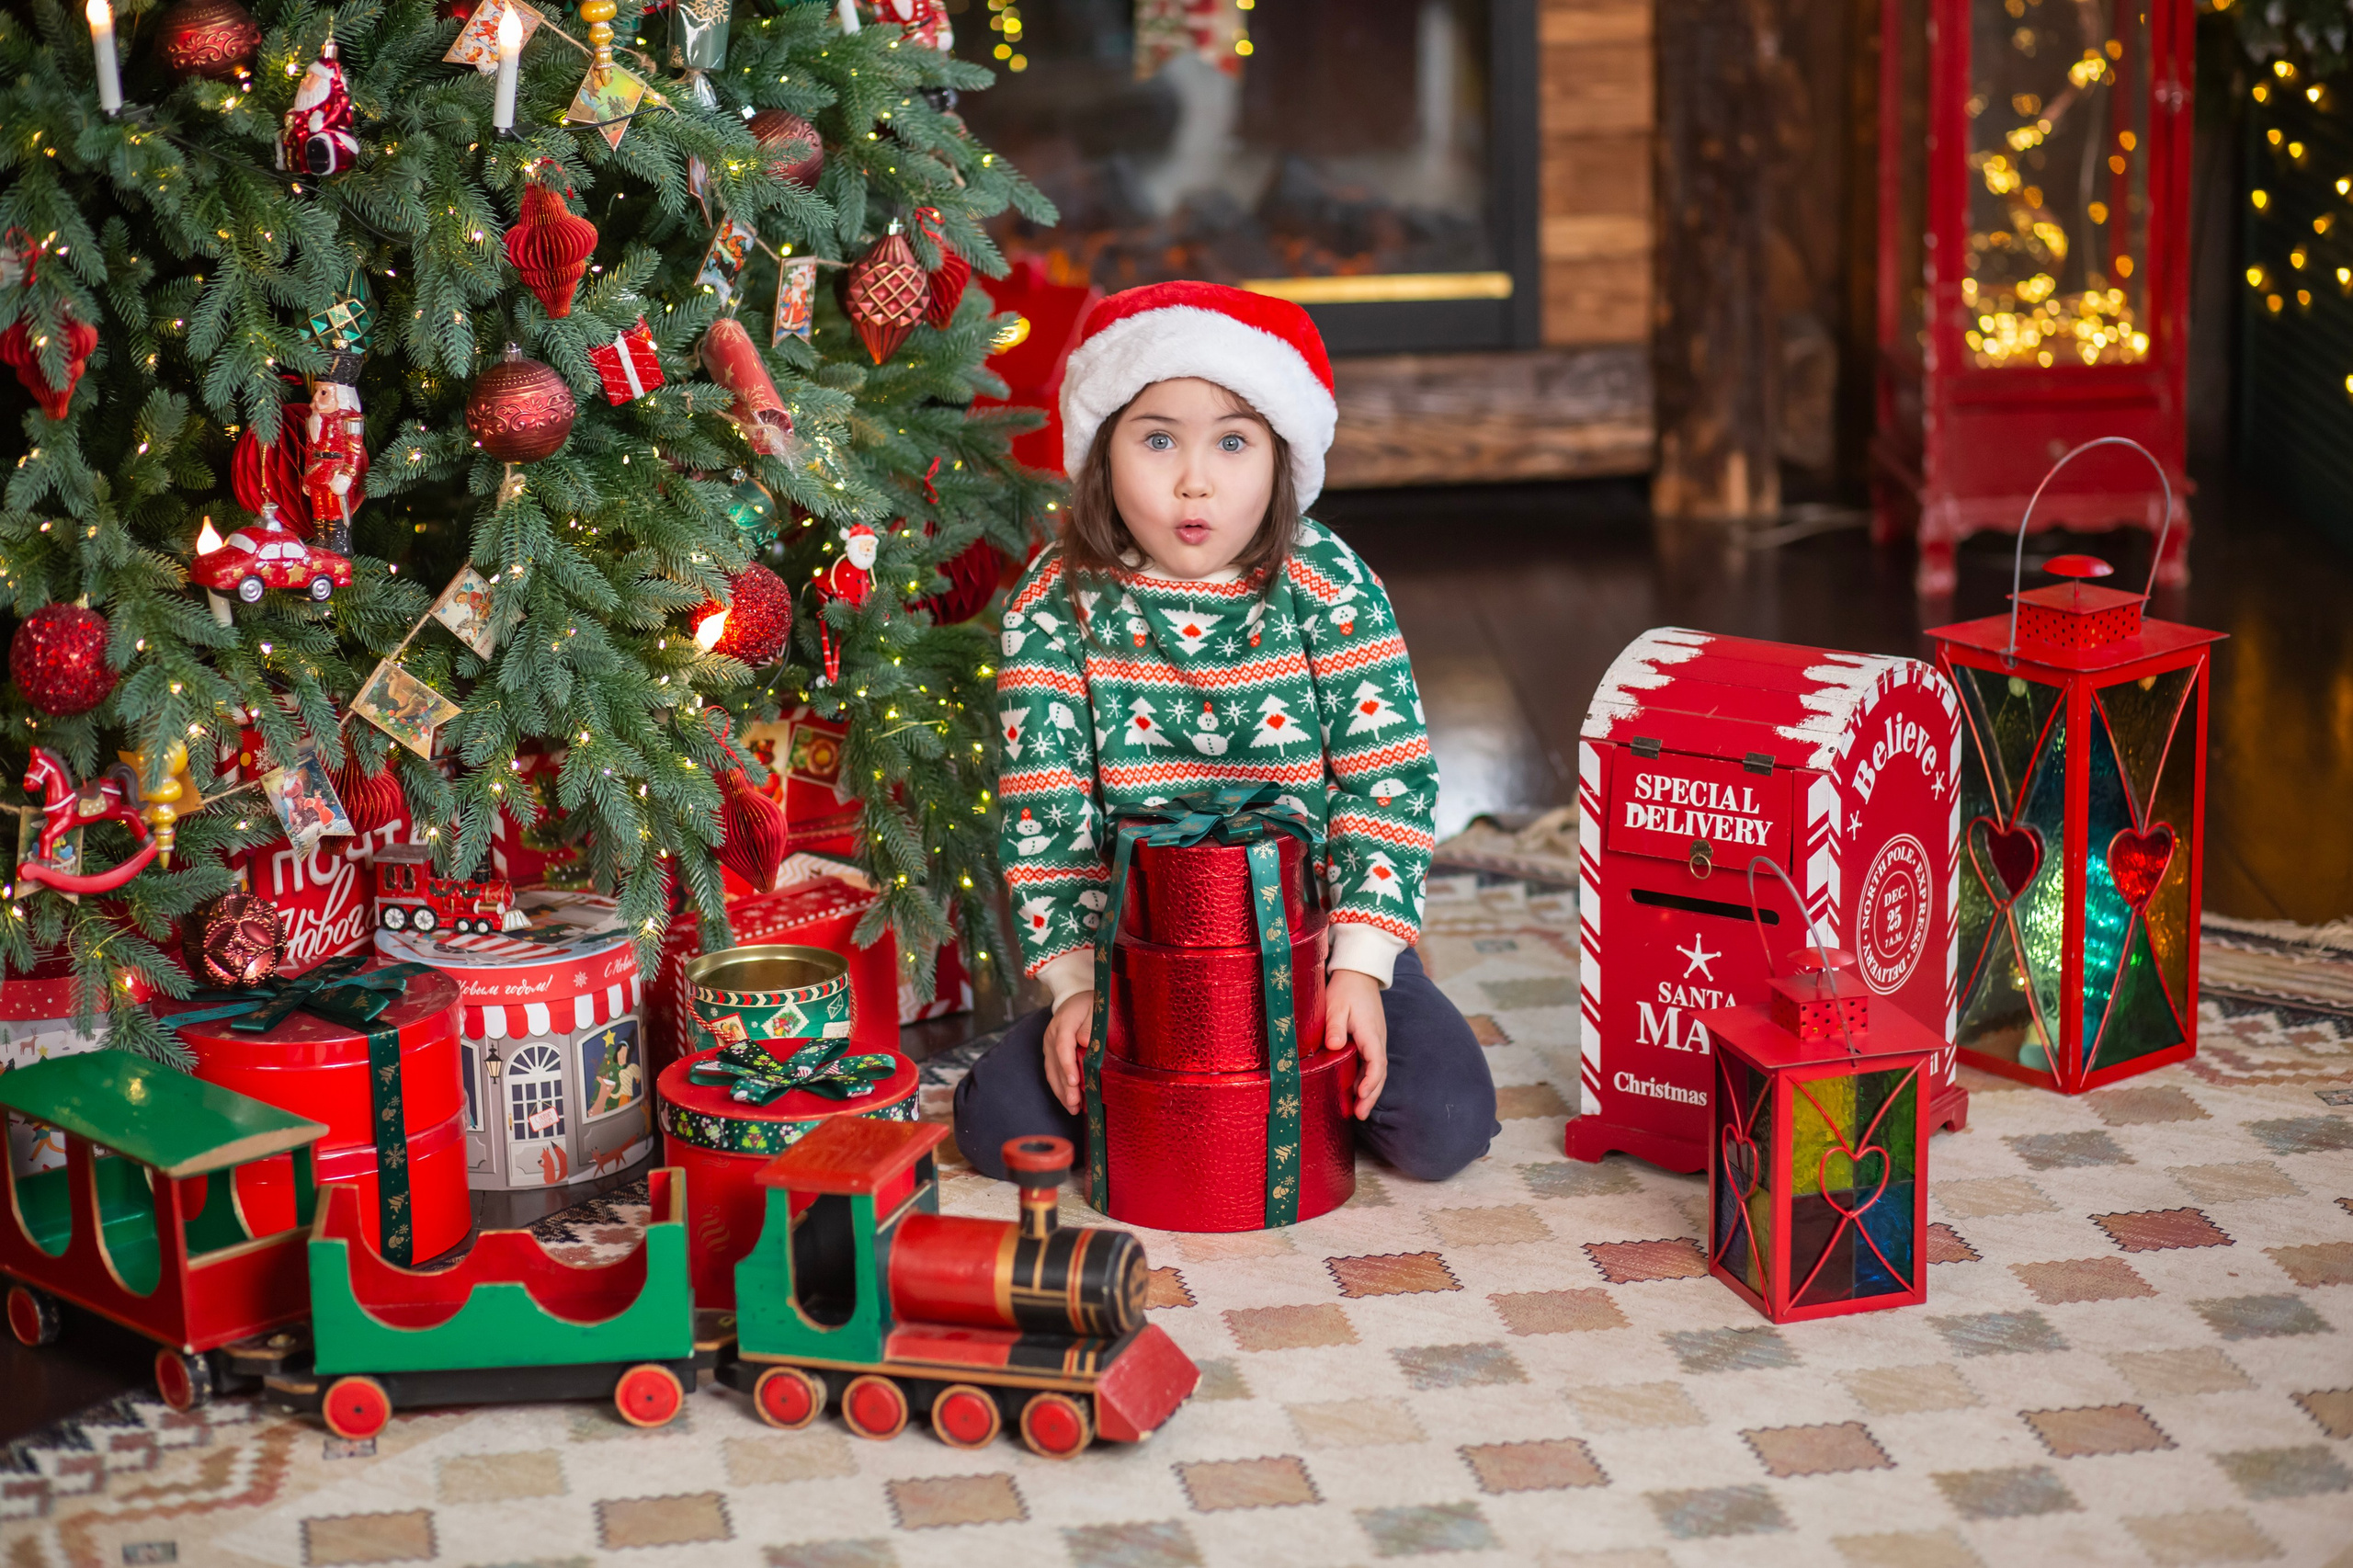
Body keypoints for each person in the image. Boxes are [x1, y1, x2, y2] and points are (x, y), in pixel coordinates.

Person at [953, 281, 1498, 1187]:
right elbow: (1046, 821)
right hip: (1140, 956)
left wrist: (1362, 964)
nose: (1194, 479)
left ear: (1281, 458)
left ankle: (1289, 1075)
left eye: (1233, 442)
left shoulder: (1328, 586)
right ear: (1102, 449)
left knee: (1445, 1125)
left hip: (1310, 943)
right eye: (1157, 438)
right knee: (1000, 1127)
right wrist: (1077, 990)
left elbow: (1386, 784)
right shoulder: (1054, 604)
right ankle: (1225, 1085)